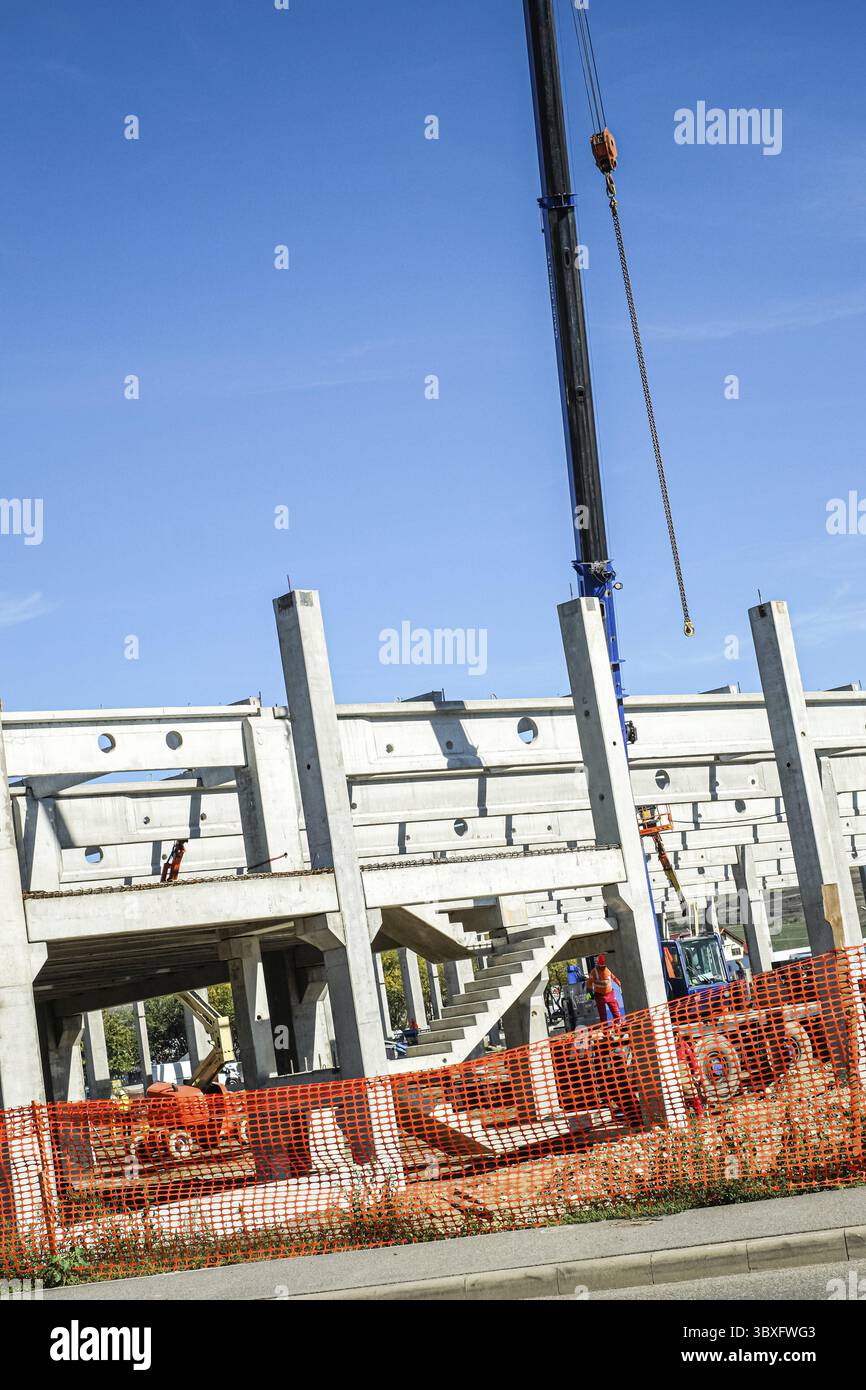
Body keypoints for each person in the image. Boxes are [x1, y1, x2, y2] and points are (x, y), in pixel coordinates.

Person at [676, 1032, 705, 1119]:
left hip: (681, 1067)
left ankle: (699, 1112)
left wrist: (695, 1070)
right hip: (673, 1066)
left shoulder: (682, 1044)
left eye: (675, 1034)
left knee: (690, 1090)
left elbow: (691, 1057)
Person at [586, 954, 622, 1024]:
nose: (603, 967)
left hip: (610, 994)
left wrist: (619, 985)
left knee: (616, 1012)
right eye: (602, 965)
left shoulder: (608, 969)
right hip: (599, 996)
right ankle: (606, 1032)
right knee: (603, 1016)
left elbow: (614, 978)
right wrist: (589, 994)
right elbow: (589, 983)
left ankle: (618, 1029)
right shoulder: (594, 972)